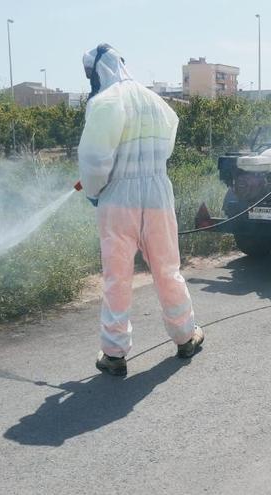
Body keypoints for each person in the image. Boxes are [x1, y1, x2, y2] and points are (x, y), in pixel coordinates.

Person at [78, 44, 203, 377]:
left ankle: (114, 354)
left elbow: (93, 160)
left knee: (117, 276)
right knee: (167, 267)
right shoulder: (157, 102)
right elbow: (167, 143)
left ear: (97, 72)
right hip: (158, 194)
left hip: (119, 198)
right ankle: (185, 336)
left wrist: (94, 192)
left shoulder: (104, 102)